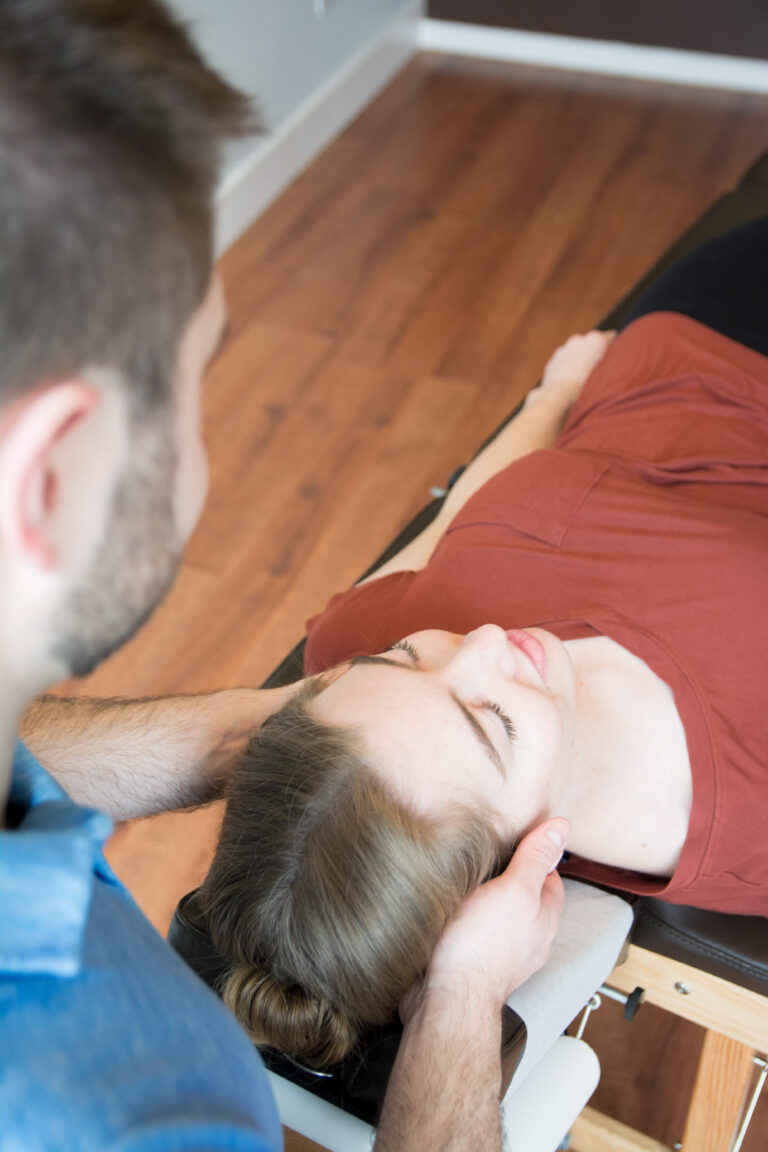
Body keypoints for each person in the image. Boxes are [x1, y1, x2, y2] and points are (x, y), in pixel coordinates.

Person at [1, 3, 566, 1150]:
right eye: (196, 380)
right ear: (48, 472)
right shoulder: (123, 1114)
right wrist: (458, 999)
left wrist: (240, 734)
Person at [201, 217, 768, 1074]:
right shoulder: (746, 807)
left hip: (674, 347)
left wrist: (555, 391)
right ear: (518, 868)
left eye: (409, 659)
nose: (483, 645)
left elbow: (460, 512)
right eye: (492, 723)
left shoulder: (354, 661)